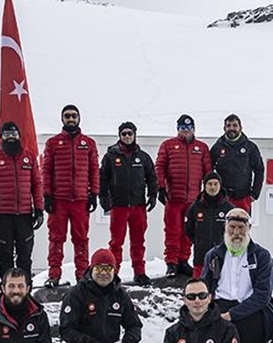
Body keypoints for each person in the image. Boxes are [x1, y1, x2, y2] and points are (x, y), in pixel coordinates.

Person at [201, 209, 273, 343]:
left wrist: (233, 314)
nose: (236, 232)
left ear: (249, 228)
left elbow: (263, 294)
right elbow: (205, 287)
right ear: (225, 227)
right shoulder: (213, 255)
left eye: (241, 228)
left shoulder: (261, 255)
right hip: (220, 310)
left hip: (251, 310)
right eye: (232, 227)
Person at [41, 104, 99, 287]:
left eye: (74, 116)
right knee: (56, 238)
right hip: (59, 200)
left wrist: (94, 193)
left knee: (81, 239)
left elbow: (94, 170)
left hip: (80, 200)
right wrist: (47, 195)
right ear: (62, 119)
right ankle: (54, 274)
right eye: (67, 116)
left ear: (79, 118)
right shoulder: (52, 143)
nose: (71, 119)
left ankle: (82, 275)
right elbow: (46, 170)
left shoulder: (89, 143)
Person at [0, 120, 44, 282]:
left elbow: (37, 184)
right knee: (5, 256)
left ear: (19, 136)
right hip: (2, 215)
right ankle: (6, 289)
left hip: (24, 215)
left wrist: (39, 209)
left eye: (14, 134)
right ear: (1, 137)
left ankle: (25, 288)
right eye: (6, 134)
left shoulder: (30, 158)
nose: (10, 137)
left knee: (25, 256)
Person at [99, 121, 157, 286]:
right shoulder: (110, 156)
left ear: (134, 135)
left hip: (138, 205)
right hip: (119, 205)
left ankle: (139, 272)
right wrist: (103, 198)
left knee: (138, 241)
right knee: (116, 242)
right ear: (119, 136)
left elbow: (152, 177)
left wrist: (152, 195)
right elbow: (103, 178)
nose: (127, 137)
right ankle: (114, 273)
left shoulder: (143, 157)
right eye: (123, 134)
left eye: (129, 133)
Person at [156, 114, 211, 278]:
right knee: (172, 231)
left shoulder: (202, 147)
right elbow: (159, 167)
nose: (185, 131)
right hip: (173, 198)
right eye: (182, 128)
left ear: (193, 129)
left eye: (188, 128)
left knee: (188, 232)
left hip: (193, 200)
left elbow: (208, 171)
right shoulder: (168, 145)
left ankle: (183, 260)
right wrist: (160, 187)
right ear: (177, 129)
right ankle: (171, 263)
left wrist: (207, 192)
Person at [209, 113, 264, 214]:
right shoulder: (217, 147)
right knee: (221, 224)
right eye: (228, 126)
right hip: (222, 197)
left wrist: (254, 194)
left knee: (241, 223)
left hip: (243, 197)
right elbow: (209, 170)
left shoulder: (250, 147)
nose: (231, 128)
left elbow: (259, 170)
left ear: (240, 128)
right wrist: (212, 192)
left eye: (235, 125)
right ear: (224, 128)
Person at [184, 172, 234, 278]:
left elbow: (234, 231)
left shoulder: (228, 208)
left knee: (220, 286)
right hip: (200, 257)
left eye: (216, 184)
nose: (213, 187)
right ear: (204, 185)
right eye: (210, 184)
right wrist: (199, 240)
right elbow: (188, 229)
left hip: (222, 256)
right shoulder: (196, 206)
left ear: (220, 185)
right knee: (198, 285)